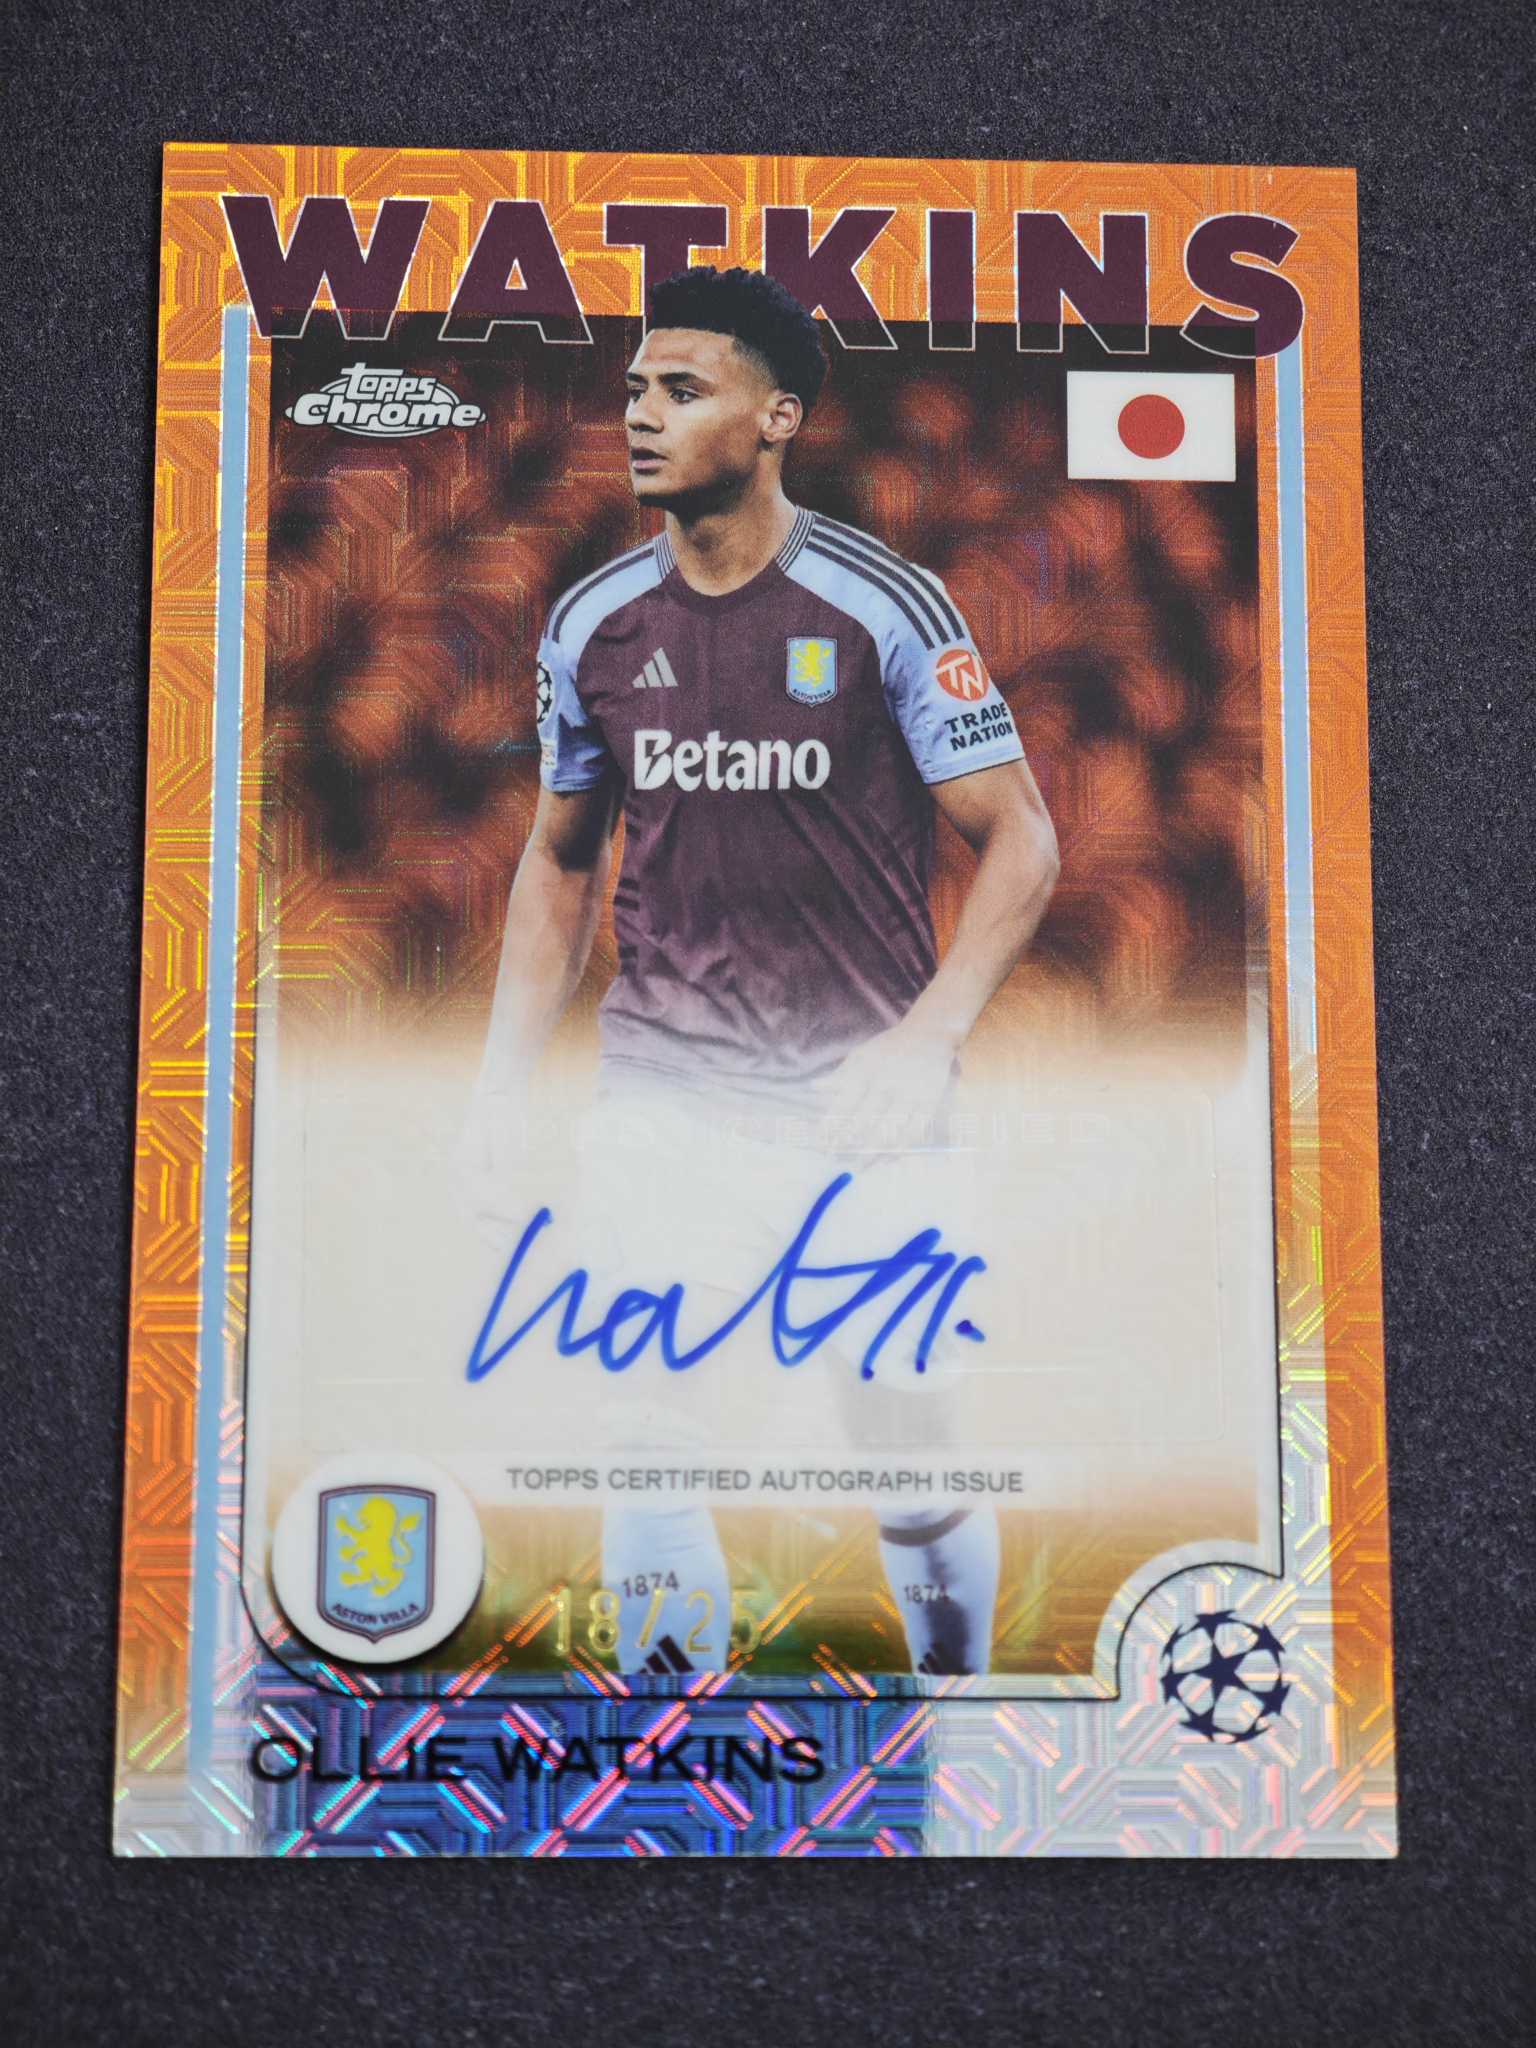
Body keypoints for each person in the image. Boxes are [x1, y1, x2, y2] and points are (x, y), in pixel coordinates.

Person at [467, 266, 1059, 1678]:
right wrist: (497, 1088)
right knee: (644, 1429)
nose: (641, 416)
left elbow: (1023, 840)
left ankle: (959, 1692)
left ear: (778, 416)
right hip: (666, 1088)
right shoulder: (593, 624)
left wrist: (925, 1039)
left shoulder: (887, 606)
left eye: (684, 390)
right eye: (634, 390)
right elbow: (558, 861)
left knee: (903, 1438)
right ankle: (675, 1752)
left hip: (865, 1101)